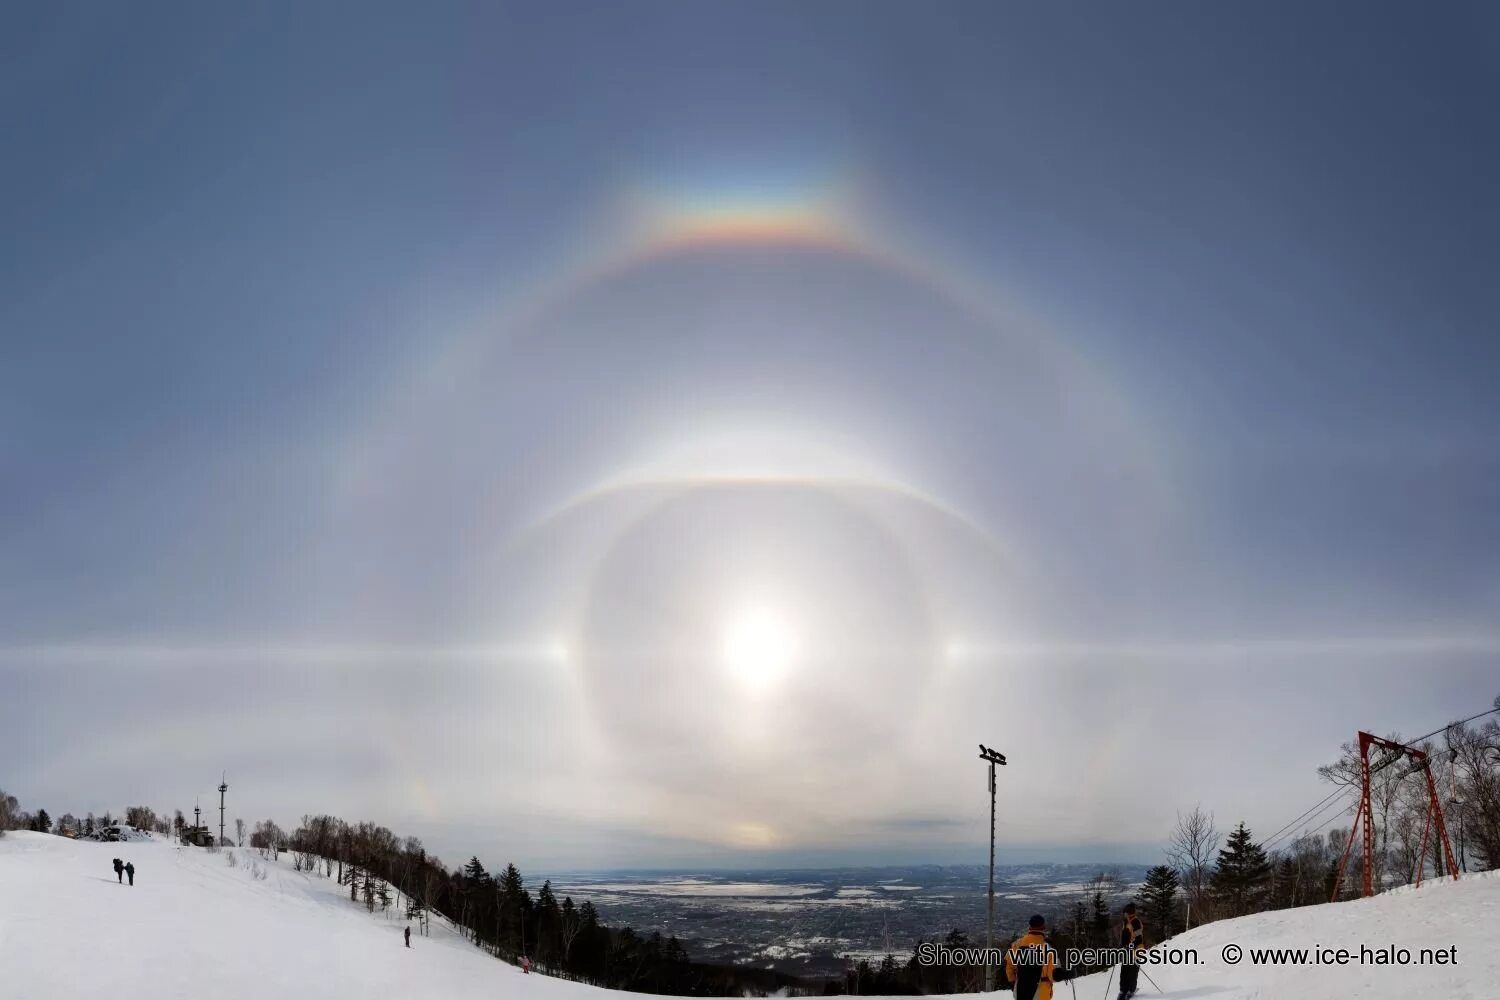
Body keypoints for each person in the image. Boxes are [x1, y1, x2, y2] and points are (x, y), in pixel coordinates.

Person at [1004, 915, 1073, 1000]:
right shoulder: (1048, 948)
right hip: (1040, 995)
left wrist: (1013, 983)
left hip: (1020, 992)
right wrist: (1067, 974)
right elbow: (1054, 975)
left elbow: (1009, 967)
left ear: (1030, 926)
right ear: (1043, 927)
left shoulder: (1017, 944)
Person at [1117, 902, 1144, 1000]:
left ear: (1128, 913)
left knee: (1132, 971)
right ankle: (1123, 990)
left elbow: (1138, 937)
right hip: (1127, 950)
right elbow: (1125, 937)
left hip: (1136, 950)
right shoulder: (1126, 922)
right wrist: (1122, 946)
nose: (1123, 914)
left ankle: (1131, 990)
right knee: (1124, 971)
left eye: (1125, 913)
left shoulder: (1136, 922)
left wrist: (1131, 946)